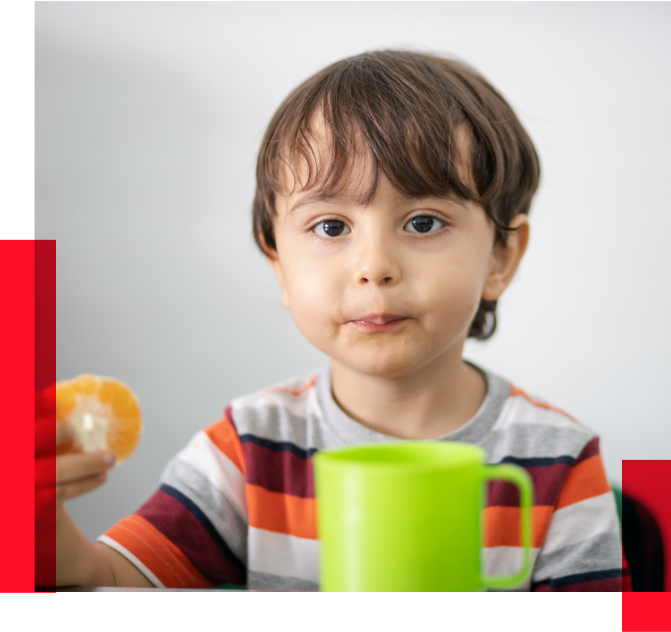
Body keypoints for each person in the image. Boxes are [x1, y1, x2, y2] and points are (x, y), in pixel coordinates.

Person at [51, 50, 628, 591]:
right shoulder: (248, 448)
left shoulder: (560, 460)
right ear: (277, 260)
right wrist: (30, 519)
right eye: (331, 227)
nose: (374, 267)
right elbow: (103, 575)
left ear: (501, 257)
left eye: (424, 222)